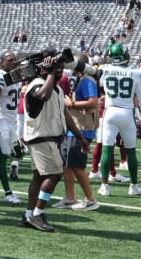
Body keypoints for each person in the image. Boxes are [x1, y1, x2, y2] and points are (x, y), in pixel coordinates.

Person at [19, 49, 90, 232]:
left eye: (60, 68)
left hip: (50, 137)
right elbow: (42, 96)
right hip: (41, 137)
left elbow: (65, 115)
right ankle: (38, 213)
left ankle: (28, 215)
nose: (59, 71)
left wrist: (80, 137)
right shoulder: (37, 84)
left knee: (39, 177)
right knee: (54, 174)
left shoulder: (56, 88)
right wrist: (49, 72)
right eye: (56, 68)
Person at [97, 44, 141, 197]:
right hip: (127, 113)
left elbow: (100, 86)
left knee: (107, 149)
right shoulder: (136, 72)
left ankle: (104, 186)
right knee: (131, 151)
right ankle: (133, 186)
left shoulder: (105, 69)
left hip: (110, 112)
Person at [53, 54, 99, 211]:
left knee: (77, 165)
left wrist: (71, 104)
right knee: (67, 164)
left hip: (81, 128)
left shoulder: (87, 80)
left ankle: (90, 199)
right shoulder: (79, 79)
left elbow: (93, 102)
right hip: (73, 127)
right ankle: (70, 197)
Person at [0, 51, 22, 205]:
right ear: (1, 62)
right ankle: (8, 192)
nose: (13, 62)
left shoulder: (15, 75)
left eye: (14, 60)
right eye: (9, 60)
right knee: (2, 157)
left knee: (3, 157)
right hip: (1, 120)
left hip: (11, 120)